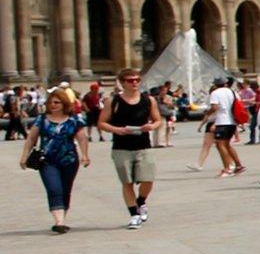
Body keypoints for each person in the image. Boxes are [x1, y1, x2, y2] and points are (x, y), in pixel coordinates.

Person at [98, 68, 161, 229]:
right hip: (121, 147)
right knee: (127, 182)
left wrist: (151, 126)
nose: (134, 83)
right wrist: (117, 130)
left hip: (143, 145)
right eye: (130, 80)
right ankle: (134, 214)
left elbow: (158, 120)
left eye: (137, 80)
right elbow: (102, 123)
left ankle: (141, 201)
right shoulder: (113, 101)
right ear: (122, 82)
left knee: (148, 179)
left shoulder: (149, 100)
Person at [22, 92, 89, 233]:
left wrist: (84, 155)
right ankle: (59, 221)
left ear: (64, 104)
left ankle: (62, 219)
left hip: (69, 160)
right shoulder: (42, 119)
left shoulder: (74, 119)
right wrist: (24, 156)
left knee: (65, 190)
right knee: (54, 189)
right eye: (50, 102)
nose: (53, 105)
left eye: (56, 102)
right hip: (47, 161)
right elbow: (31, 138)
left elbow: (82, 138)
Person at [206, 78, 244, 178]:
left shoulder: (215, 93)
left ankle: (227, 168)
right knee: (227, 145)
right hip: (232, 121)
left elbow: (215, 107)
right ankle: (238, 165)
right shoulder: (232, 92)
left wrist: (207, 113)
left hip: (222, 122)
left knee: (220, 145)